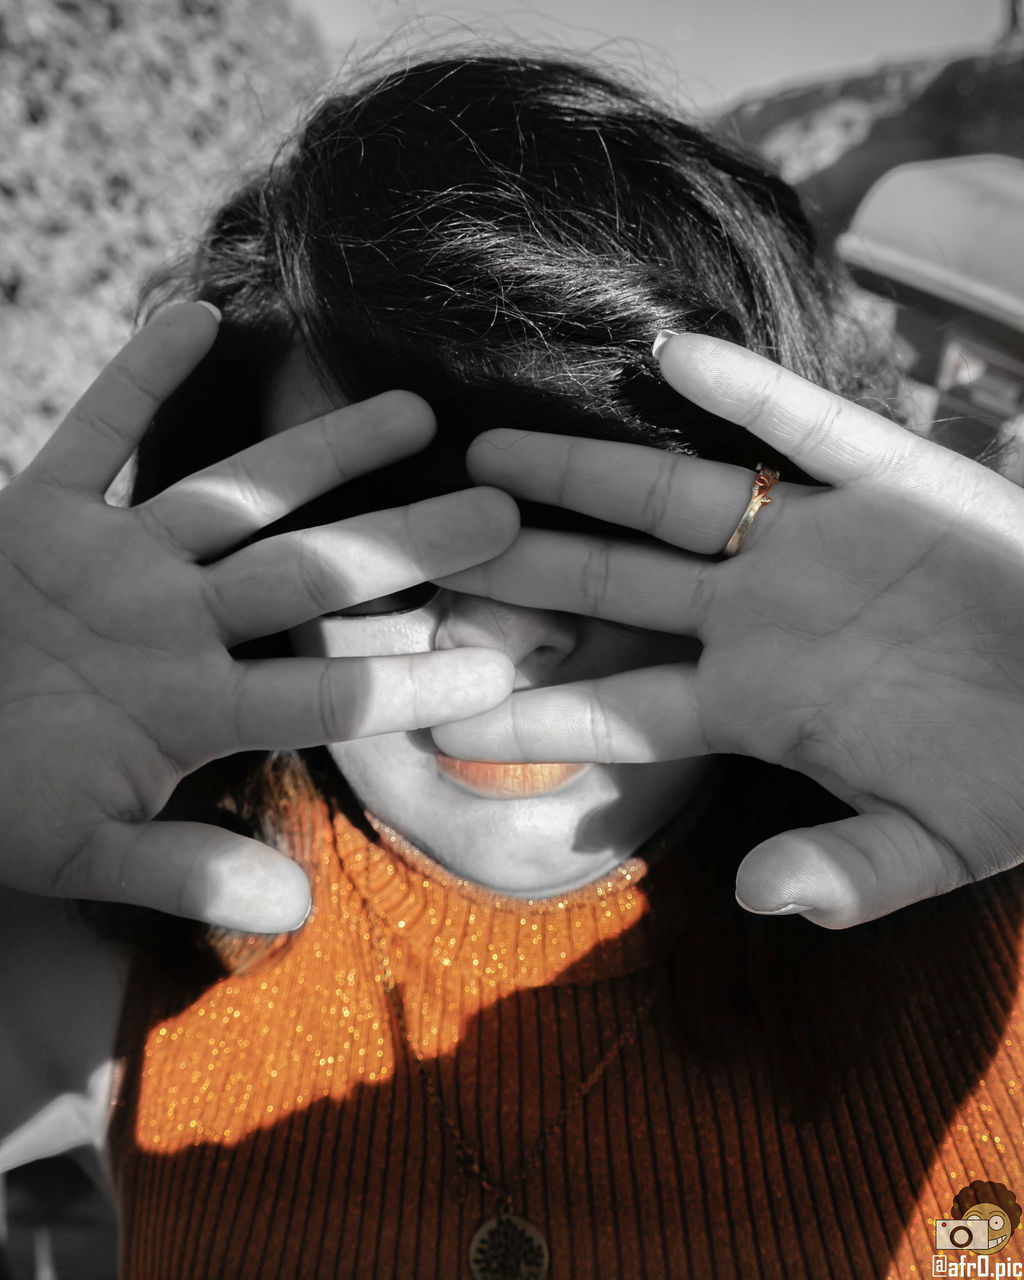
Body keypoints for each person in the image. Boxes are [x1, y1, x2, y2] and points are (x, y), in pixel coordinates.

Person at [4, 48, 1024, 1280]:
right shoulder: (116, 930)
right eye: (382, 533)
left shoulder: (996, 923)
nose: (497, 630)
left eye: (614, 512)